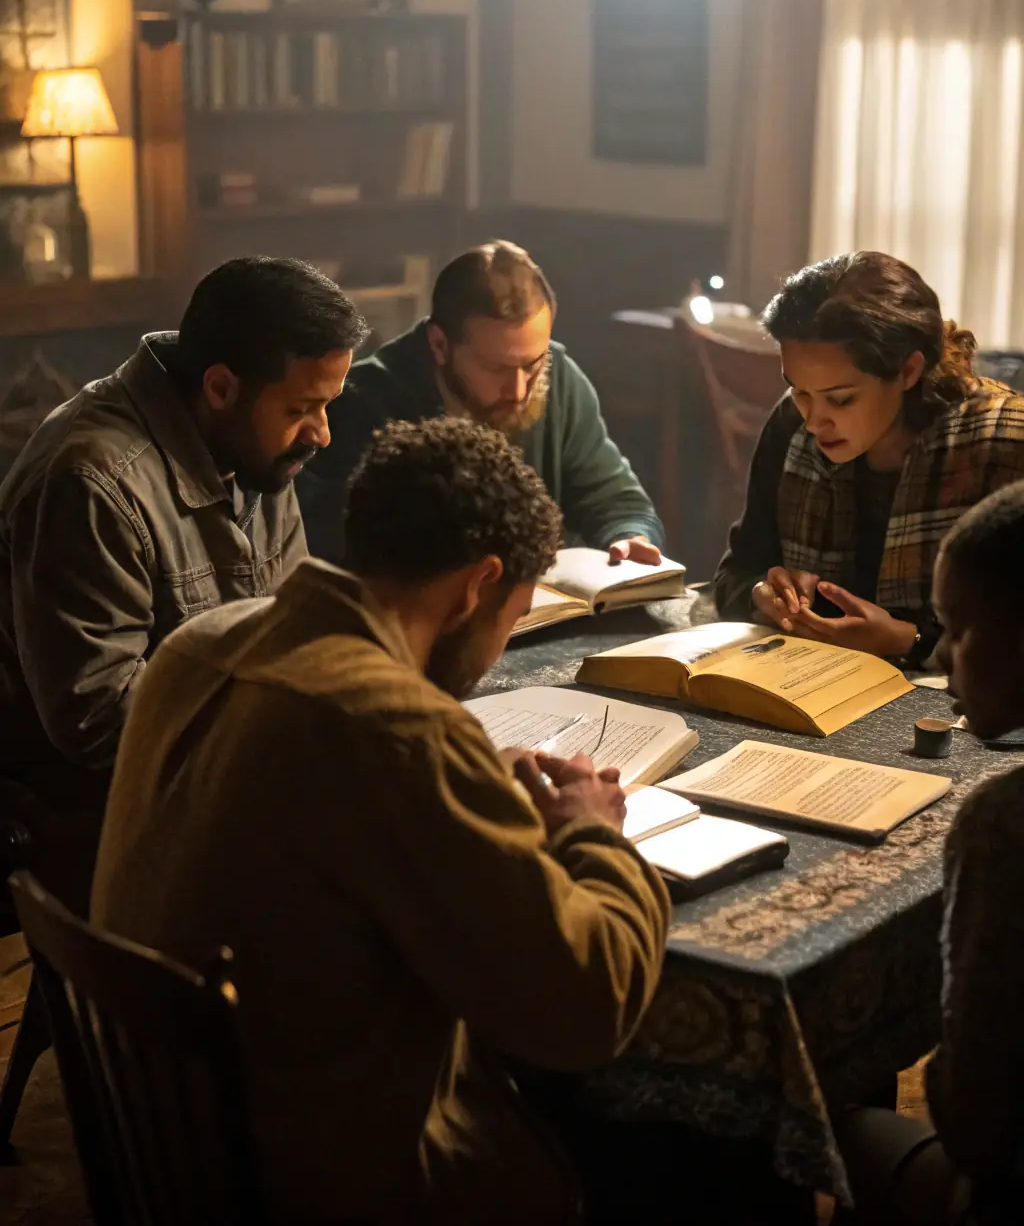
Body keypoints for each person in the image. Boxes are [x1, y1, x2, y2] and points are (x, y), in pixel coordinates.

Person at [90, 417, 670, 1226]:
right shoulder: (397, 730)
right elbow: (589, 1004)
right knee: (673, 1154)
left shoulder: (197, 646)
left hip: (171, 1152)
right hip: (331, 1186)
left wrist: (463, 791)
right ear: (478, 584)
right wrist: (591, 829)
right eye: (513, 612)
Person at [0, 255, 367, 903]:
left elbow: (289, 628)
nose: (323, 434)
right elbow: (97, 718)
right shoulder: (93, 480)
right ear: (221, 387)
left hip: (219, 770)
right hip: (94, 814)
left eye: (328, 406)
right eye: (304, 407)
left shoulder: (256, 444)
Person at [836, 480, 1024, 1226]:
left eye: (959, 628)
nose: (942, 655)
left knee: (806, 1131)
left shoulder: (1004, 825)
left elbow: (973, 1117)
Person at [714, 251, 1024, 665]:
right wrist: (764, 595)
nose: (813, 421)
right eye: (799, 390)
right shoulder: (791, 423)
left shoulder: (1003, 442)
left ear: (909, 371)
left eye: (841, 399)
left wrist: (910, 639)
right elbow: (735, 574)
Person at [298, 239, 665, 566]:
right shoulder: (363, 405)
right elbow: (331, 546)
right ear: (439, 345)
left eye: (532, 364)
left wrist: (629, 537)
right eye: (497, 368)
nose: (520, 390)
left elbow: (617, 501)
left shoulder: (560, 379)